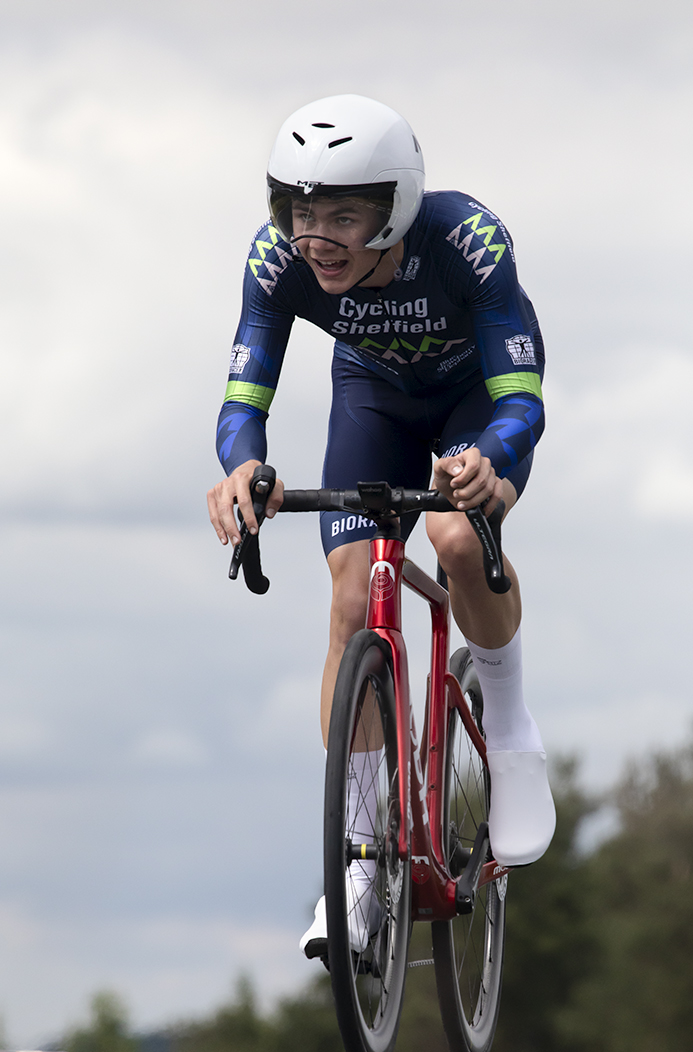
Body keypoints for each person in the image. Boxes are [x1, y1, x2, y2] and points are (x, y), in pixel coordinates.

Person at [207, 94, 556, 958]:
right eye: (300, 210)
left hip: (478, 394)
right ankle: (361, 871)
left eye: (343, 215)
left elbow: (521, 396)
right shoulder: (274, 263)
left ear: (395, 207)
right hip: (374, 401)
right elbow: (244, 398)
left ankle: (508, 732)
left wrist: (494, 460)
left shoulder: (467, 240)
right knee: (353, 593)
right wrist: (241, 468)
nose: (314, 236)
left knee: (456, 539)